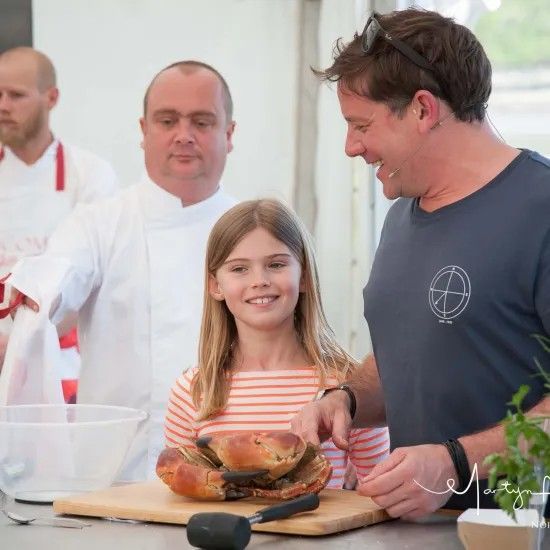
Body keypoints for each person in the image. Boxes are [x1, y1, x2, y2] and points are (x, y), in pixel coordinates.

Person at [290, 8, 550, 518]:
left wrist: (457, 461)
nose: (351, 147)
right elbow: (411, 362)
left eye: (361, 125)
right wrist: (344, 399)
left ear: (424, 109)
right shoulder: (402, 216)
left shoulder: (540, 209)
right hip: (420, 531)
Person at [0, 60, 238, 479]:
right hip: (112, 479)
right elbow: (58, 276)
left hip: (226, 474)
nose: (184, 135)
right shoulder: (99, 223)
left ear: (229, 134)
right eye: (168, 121)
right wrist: (32, 297)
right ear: (144, 131)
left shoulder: (255, 230)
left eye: (202, 121)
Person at [164, 199, 389, 489]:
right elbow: (181, 498)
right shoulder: (192, 392)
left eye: (276, 264)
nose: (260, 280)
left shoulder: (349, 389)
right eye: (239, 269)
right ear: (215, 286)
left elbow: (381, 497)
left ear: (304, 276)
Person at [0, 47, 119, 384]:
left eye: (16, 95)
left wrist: (24, 343)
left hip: (64, 364)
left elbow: (97, 275)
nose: (3, 105)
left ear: (51, 98)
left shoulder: (91, 174)